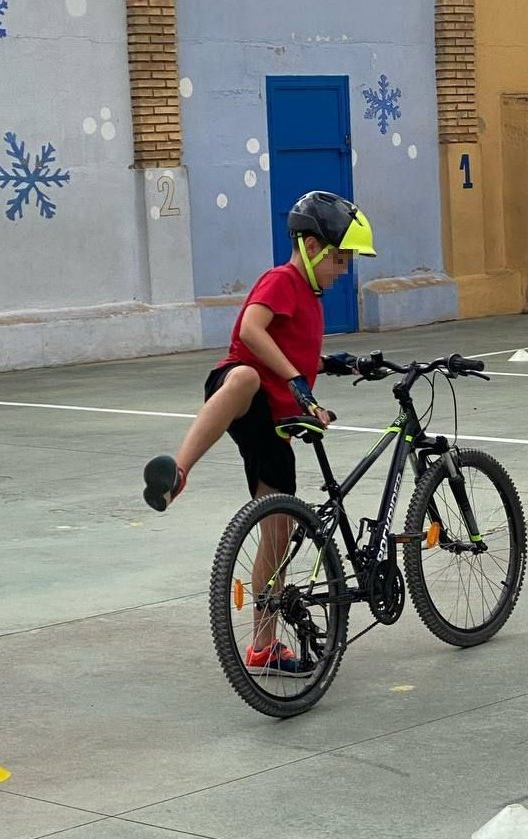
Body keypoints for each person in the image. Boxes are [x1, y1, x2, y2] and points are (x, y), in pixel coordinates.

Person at [141, 190, 376, 673]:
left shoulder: (308, 299)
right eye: (341, 258)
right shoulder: (283, 280)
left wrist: (335, 364)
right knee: (247, 375)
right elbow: (252, 331)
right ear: (312, 247)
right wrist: (297, 384)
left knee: (276, 534)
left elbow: (298, 352)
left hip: (275, 427)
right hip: (240, 393)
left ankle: (264, 646)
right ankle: (178, 473)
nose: (344, 269)